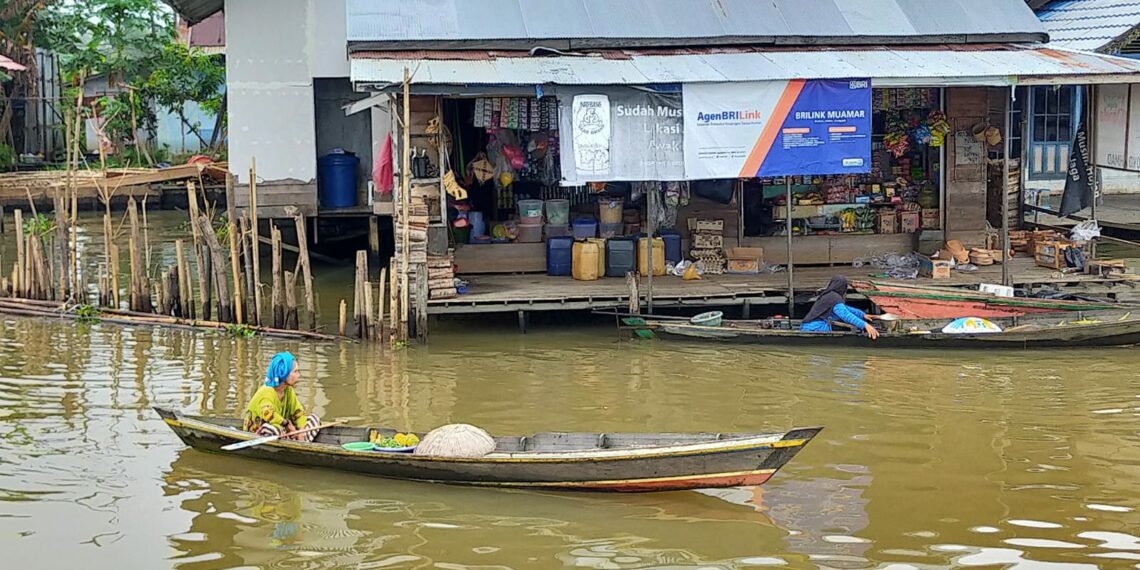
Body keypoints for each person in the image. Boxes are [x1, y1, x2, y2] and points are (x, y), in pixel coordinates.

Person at [242, 352, 323, 441]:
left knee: (313, 419)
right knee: (273, 429)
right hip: (262, 431)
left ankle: (298, 444)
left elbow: (298, 413)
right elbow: (269, 415)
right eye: (295, 371)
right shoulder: (267, 392)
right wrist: (287, 424)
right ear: (283, 373)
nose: (298, 375)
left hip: (283, 430)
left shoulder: (288, 390)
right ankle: (290, 442)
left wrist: (301, 433)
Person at [799, 276, 880, 340]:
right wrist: (865, 325)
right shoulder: (834, 297)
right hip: (814, 328)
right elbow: (845, 314)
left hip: (808, 326)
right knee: (845, 323)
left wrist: (862, 315)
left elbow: (845, 308)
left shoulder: (829, 295)